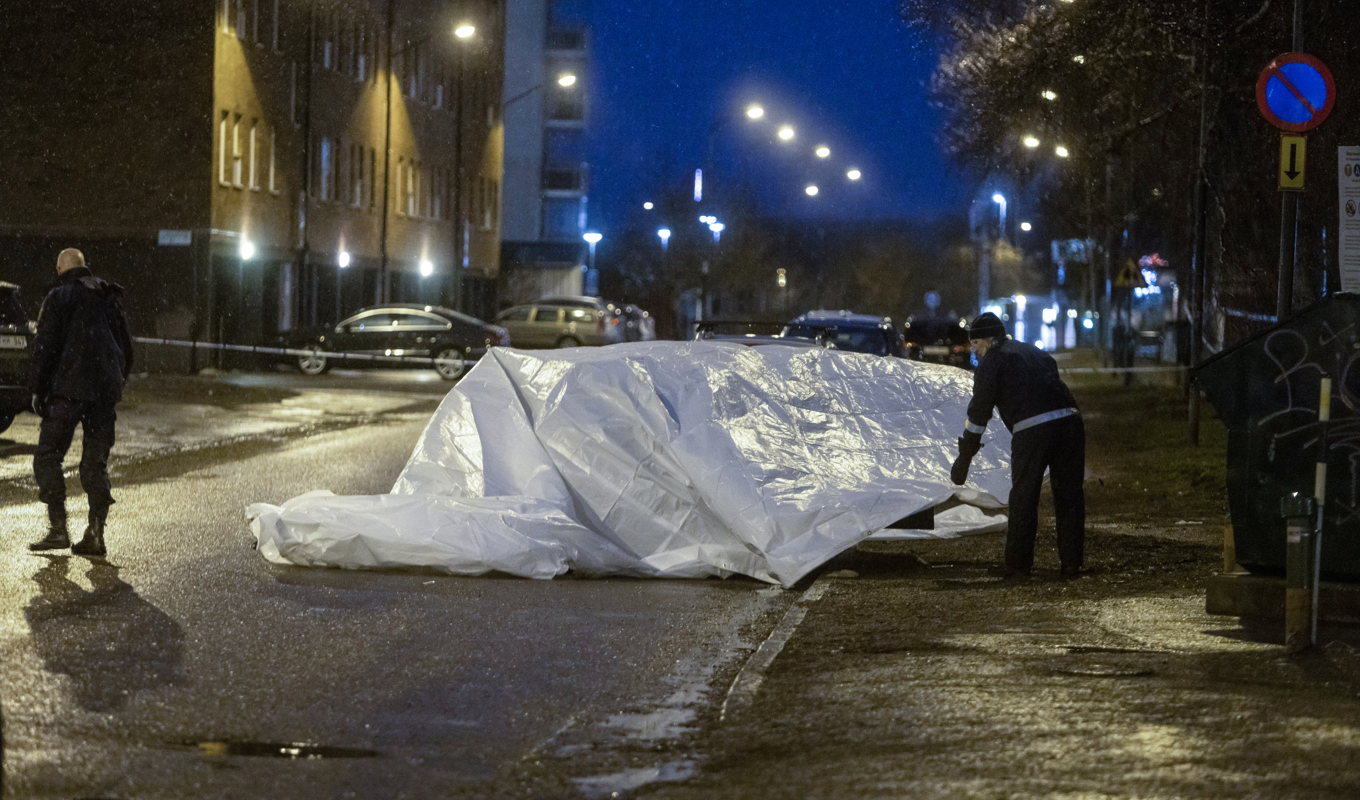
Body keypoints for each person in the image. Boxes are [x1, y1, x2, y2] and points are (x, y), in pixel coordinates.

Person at [950, 312, 1084, 578]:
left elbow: (979, 413)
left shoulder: (992, 362)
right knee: (1069, 495)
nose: (974, 351)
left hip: (1033, 430)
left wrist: (965, 456)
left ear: (987, 341)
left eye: (975, 344)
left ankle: (1018, 566)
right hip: (1071, 422)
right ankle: (1071, 563)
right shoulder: (1034, 352)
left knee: (1024, 496)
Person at [27, 248, 134, 557]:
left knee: (48, 455)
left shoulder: (59, 297)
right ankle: (96, 533)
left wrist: (37, 389)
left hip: (68, 389)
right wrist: (115, 382)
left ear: (61, 268)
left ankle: (58, 529)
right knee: (93, 464)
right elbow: (126, 347)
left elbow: (45, 347)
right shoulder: (108, 297)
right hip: (104, 392)